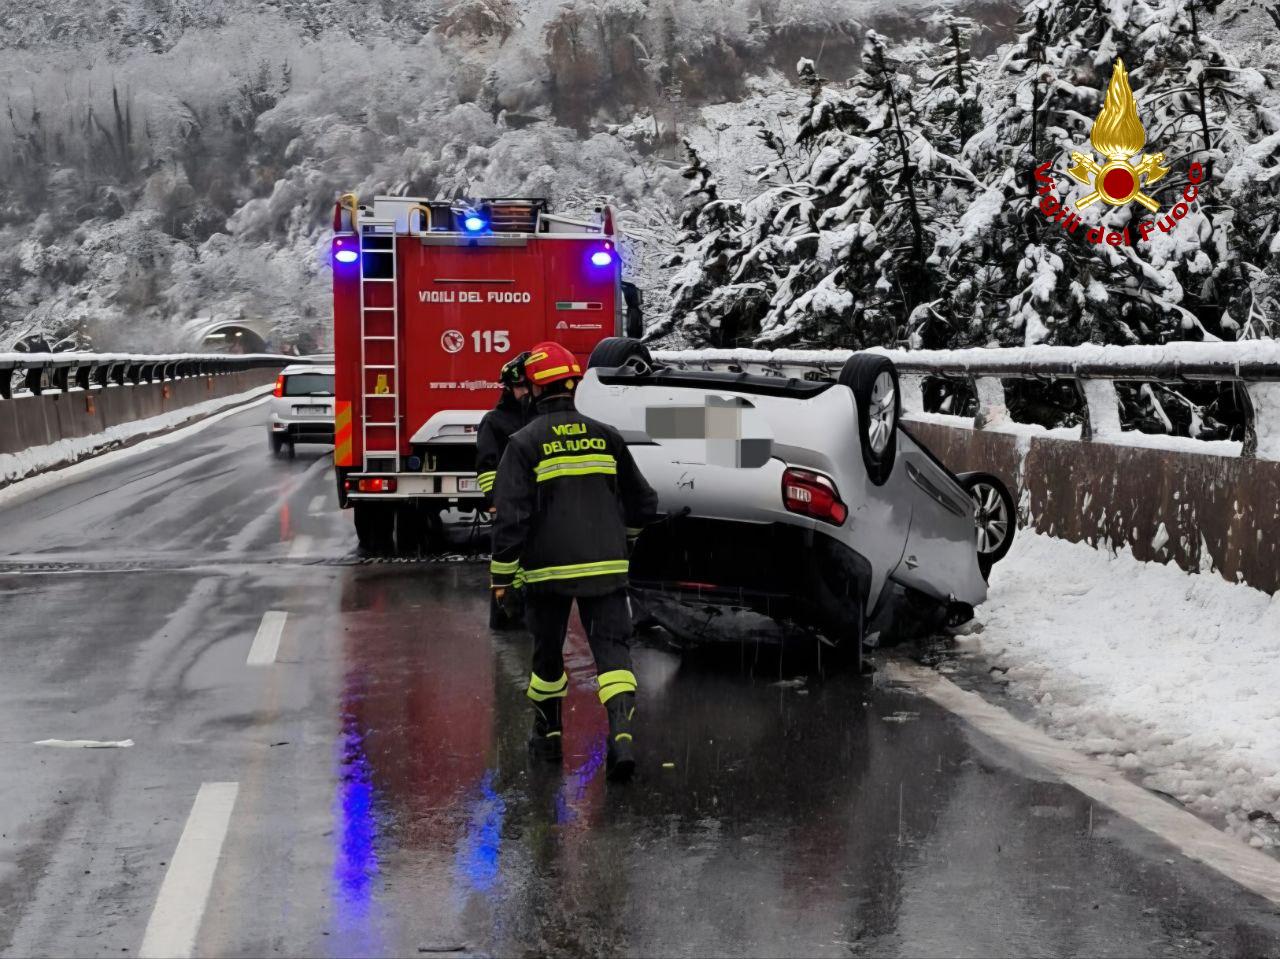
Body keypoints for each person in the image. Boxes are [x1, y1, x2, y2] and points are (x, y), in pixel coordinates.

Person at [489, 341, 658, 782]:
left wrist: (502, 581)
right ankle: (621, 736)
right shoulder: (607, 435)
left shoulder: (523, 443)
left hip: (547, 575)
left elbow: (510, 520)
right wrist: (628, 541)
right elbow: (643, 503)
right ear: (573, 384)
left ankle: (547, 736)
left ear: (538, 389)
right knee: (614, 656)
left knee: (547, 656)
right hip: (607, 570)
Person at [477, 351, 531, 629]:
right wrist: (496, 502)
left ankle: (530, 613)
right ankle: (505, 615)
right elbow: (486, 467)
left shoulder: (541, 417)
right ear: (509, 388)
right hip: (510, 509)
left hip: (539, 507)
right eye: (518, 386)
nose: (524, 391)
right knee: (507, 565)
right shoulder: (494, 421)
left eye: (527, 385)